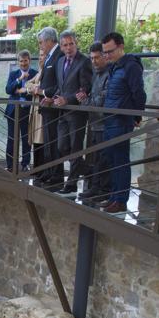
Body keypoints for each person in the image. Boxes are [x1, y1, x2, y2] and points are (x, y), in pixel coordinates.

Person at [99, 32, 146, 214]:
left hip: (121, 119)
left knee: (120, 159)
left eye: (110, 51)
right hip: (110, 118)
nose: (107, 55)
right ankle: (114, 196)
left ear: (121, 47)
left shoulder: (131, 66)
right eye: (105, 52)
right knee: (111, 158)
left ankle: (121, 200)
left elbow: (139, 93)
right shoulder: (115, 67)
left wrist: (136, 116)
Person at [51, 30, 93, 196]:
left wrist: (68, 100)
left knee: (75, 148)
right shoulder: (60, 62)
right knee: (62, 146)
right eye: (65, 45)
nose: (68, 48)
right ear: (61, 47)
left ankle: (71, 185)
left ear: (76, 44)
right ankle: (87, 169)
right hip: (62, 112)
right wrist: (51, 98)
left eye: (71, 44)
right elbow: (60, 87)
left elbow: (86, 88)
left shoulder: (84, 62)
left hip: (76, 113)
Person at [80, 42, 110, 204]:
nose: (94, 61)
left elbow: (100, 101)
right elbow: (94, 99)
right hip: (95, 122)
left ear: (104, 56)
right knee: (96, 158)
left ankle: (102, 190)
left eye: (97, 57)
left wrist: (85, 100)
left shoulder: (108, 74)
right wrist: (87, 100)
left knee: (103, 159)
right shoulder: (96, 74)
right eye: (92, 58)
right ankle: (95, 187)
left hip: (104, 124)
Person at [35, 26, 64, 187]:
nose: (40, 46)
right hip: (46, 106)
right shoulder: (49, 57)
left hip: (53, 107)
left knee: (54, 141)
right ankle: (48, 171)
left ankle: (56, 174)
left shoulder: (58, 55)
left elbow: (60, 82)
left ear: (49, 40)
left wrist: (44, 92)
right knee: (48, 141)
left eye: (41, 42)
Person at [4, 50, 37, 172]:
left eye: (25, 60)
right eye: (21, 61)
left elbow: (35, 90)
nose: (23, 63)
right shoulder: (14, 74)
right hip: (13, 111)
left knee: (26, 139)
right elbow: (8, 89)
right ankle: (10, 164)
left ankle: (25, 163)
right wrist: (19, 79)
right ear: (18, 62)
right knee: (12, 138)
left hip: (27, 111)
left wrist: (23, 90)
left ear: (30, 61)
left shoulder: (35, 73)